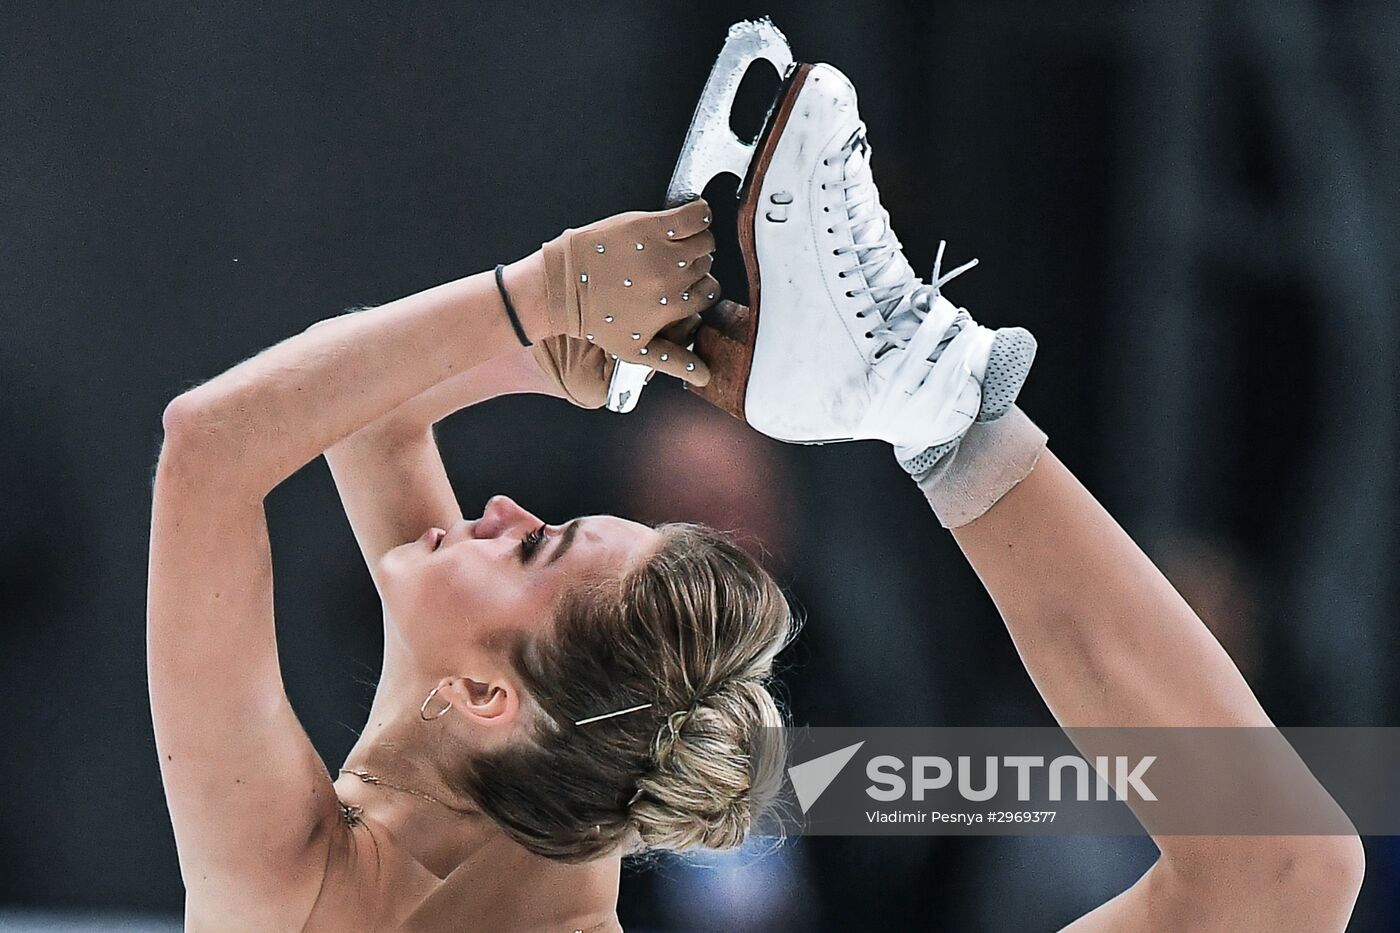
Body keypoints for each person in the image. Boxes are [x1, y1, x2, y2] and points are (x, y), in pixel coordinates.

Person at [148, 73, 1364, 933]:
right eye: (542, 542)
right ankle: (933, 404)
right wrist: (559, 335)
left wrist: (545, 318)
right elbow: (343, 406)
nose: (507, 504)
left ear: (482, 696)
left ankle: (935, 404)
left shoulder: (316, 889)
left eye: (533, 546)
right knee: (1275, 869)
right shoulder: (533, 762)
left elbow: (237, 437)